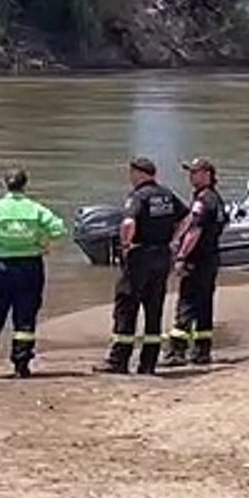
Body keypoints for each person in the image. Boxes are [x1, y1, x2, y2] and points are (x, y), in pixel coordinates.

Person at [0, 168, 67, 379]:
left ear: (5, 184)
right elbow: (59, 229)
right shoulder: (35, 209)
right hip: (29, 264)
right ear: (24, 185)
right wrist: (43, 243)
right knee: (25, 317)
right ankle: (21, 365)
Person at [96, 157, 189, 376]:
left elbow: (129, 222)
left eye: (131, 173)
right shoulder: (167, 194)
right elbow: (186, 218)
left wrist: (126, 244)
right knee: (154, 309)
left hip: (140, 255)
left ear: (138, 173)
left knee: (127, 306)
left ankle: (119, 361)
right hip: (162, 255)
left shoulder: (138, 196)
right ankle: (148, 363)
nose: (130, 178)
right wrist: (174, 240)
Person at [163, 157, 228, 366]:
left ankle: (177, 352)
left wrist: (181, 256)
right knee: (204, 305)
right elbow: (192, 222)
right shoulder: (215, 199)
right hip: (210, 259)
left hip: (197, 260)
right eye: (190, 172)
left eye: (195, 172)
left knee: (187, 304)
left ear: (207, 175)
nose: (191, 176)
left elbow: (195, 230)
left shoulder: (204, 200)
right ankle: (202, 351)